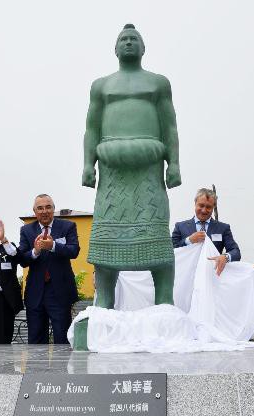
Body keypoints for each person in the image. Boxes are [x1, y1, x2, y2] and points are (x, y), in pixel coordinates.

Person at [82, 24, 181, 308]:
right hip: (112, 171)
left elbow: (170, 125)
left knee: (158, 241)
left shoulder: (158, 82)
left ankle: (165, 302)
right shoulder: (101, 85)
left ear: (143, 48)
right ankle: (104, 305)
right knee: (106, 243)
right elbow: (91, 127)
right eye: (123, 40)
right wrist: (88, 164)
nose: (128, 43)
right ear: (115, 49)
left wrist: (174, 163)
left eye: (133, 39)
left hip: (149, 168)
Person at [19, 194, 80, 344]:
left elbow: (74, 251)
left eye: (48, 207)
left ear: (53, 209)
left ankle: (62, 369)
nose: (44, 211)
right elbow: (22, 260)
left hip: (60, 291)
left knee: (62, 338)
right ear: (34, 211)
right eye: (40, 208)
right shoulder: (26, 230)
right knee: (36, 340)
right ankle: (36, 369)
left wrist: (53, 246)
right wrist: (36, 251)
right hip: (35, 293)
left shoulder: (68, 226)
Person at [172, 188, 241, 275]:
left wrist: (225, 257)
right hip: (186, 277)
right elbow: (171, 250)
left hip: (211, 276)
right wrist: (189, 240)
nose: (204, 210)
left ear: (213, 207)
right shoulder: (180, 226)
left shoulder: (223, 228)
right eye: (201, 205)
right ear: (195, 204)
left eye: (208, 207)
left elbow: (236, 252)